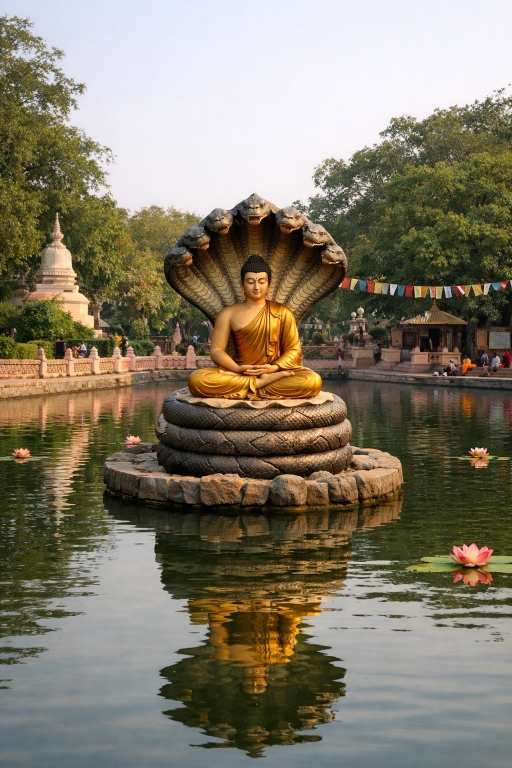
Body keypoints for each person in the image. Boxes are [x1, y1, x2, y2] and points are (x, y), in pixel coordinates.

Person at [188, 255, 322, 399]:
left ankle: (252, 385)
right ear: (242, 283)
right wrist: (237, 368)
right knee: (197, 380)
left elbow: (294, 350)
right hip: (240, 372)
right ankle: (259, 384)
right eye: (250, 282)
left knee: (312, 381)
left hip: (273, 373)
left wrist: (275, 368)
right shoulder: (228, 313)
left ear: (269, 284)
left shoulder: (283, 312)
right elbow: (216, 351)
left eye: (262, 282)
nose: (256, 287)